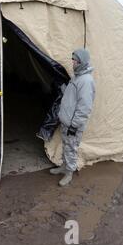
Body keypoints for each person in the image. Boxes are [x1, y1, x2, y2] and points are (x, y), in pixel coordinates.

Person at [50, 49, 96, 186]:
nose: (72, 63)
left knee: (71, 148)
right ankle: (64, 167)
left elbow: (84, 107)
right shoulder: (77, 77)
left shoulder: (86, 81)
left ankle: (69, 173)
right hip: (67, 121)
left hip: (73, 125)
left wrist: (74, 126)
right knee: (66, 146)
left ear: (81, 62)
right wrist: (64, 88)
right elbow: (72, 98)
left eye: (74, 60)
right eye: (73, 60)